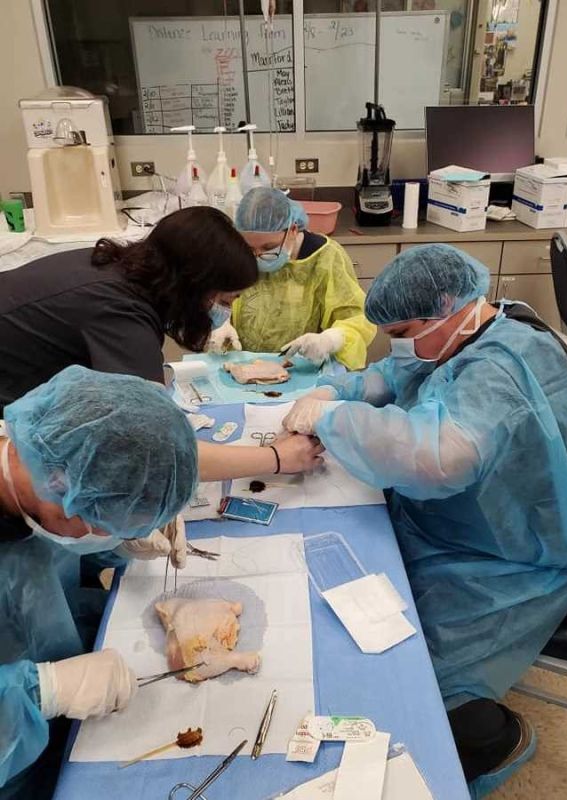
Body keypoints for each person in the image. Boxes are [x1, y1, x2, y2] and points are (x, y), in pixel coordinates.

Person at [282, 244, 567, 797]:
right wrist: (334, 388)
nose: (398, 343)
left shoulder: (502, 365)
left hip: (517, 556)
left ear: (450, 306)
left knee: (406, 671)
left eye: (405, 328)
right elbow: (393, 374)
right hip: (461, 528)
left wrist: (334, 419)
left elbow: (440, 456)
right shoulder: (462, 334)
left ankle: (494, 741)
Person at [0, 206, 323, 481]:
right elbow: (155, 451)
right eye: (225, 300)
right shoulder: (122, 315)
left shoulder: (113, 268)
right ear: (193, 286)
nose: (224, 312)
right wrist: (277, 458)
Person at [0, 365, 201, 798]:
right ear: (62, 488)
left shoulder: (41, 482)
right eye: (103, 521)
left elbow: (45, 566)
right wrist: (39, 692)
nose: (110, 532)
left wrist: (114, 546)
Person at [208, 187, 376, 369]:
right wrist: (221, 323)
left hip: (306, 369)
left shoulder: (325, 258)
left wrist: (330, 339)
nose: (257, 256)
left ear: (293, 230)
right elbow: (218, 297)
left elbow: (357, 319)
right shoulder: (236, 255)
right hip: (243, 366)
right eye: (250, 248)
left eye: (269, 248)